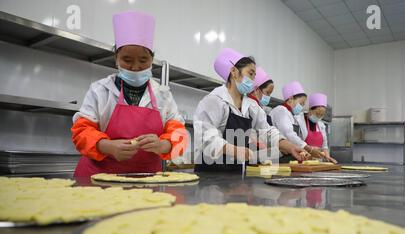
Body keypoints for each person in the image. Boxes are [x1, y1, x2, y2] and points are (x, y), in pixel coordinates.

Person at [71, 11, 187, 177]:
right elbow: (81, 131)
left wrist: (164, 144)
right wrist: (108, 146)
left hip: (148, 181)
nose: (135, 67)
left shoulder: (163, 95)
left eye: (143, 60)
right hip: (99, 181)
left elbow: (180, 134)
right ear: (116, 58)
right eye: (127, 60)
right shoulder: (100, 90)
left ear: (151, 60)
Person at [193, 48, 309, 172]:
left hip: (235, 175)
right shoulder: (214, 100)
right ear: (234, 71)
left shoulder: (251, 106)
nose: (253, 80)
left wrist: (291, 147)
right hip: (210, 175)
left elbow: (267, 131)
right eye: (250, 73)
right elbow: (205, 137)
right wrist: (235, 151)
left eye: (254, 76)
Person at [297, 93, 337, 164]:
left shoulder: (321, 125)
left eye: (322, 115)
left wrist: (328, 157)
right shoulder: (299, 120)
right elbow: (296, 142)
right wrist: (310, 150)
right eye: (317, 114)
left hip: (317, 162)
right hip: (303, 161)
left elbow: (324, 146)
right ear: (310, 109)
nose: (319, 117)